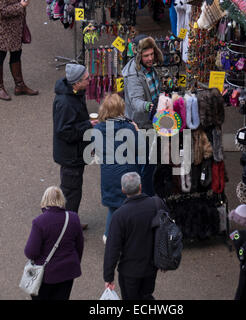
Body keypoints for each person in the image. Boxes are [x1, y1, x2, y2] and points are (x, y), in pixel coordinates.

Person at [103, 172, 168, 300]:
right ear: (140, 186)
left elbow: (112, 249)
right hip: (151, 266)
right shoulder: (156, 204)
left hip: (129, 271)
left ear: (123, 190)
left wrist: (108, 277)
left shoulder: (120, 215)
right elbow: (166, 230)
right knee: (146, 295)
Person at [93, 94, 141, 244]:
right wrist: (137, 131)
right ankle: (129, 239)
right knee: (131, 206)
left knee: (113, 208)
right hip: (127, 173)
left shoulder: (98, 129)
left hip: (108, 174)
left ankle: (109, 235)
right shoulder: (128, 127)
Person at [53, 63, 95, 230]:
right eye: (86, 79)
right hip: (70, 155)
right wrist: (88, 125)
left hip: (75, 153)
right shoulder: (66, 103)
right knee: (71, 192)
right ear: (76, 83)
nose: (89, 80)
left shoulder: (75, 93)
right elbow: (64, 131)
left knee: (73, 191)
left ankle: (71, 220)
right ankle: (67, 228)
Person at [24, 186, 84, 300]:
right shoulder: (73, 218)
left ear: (44, 200)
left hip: (46, 275)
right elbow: (79, 246)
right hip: (68, 271)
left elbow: (31, 252)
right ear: (62, 200)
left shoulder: (39, 222)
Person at [122, 36, 163, 196]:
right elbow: (136, 102)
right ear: (139, 56)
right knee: (146, 165)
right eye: (146, 56)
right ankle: (146, 196)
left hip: (152, 121)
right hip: (141, 125)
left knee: (151, 162)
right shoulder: (133, 75)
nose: (150, 58)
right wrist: (150, 106)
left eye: (152, 54)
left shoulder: (149, 68)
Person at [0, 0, 38, 101]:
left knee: (16, 53)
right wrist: (21, 5)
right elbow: (1, 11)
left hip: (15, 27)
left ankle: (20, 86)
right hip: (2, 29)